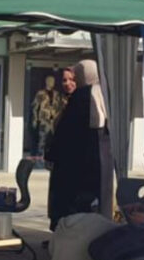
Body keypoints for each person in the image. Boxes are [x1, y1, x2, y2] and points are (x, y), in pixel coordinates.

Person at [45, 59, 111, 231]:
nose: (74, 79)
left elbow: (66, 131)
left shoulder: (81, 96)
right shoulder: (104, 93)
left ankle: (68, 236)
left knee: (73, 202)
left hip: (75, 161)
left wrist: (52, 154)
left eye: (76, 75)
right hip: (101, 158)